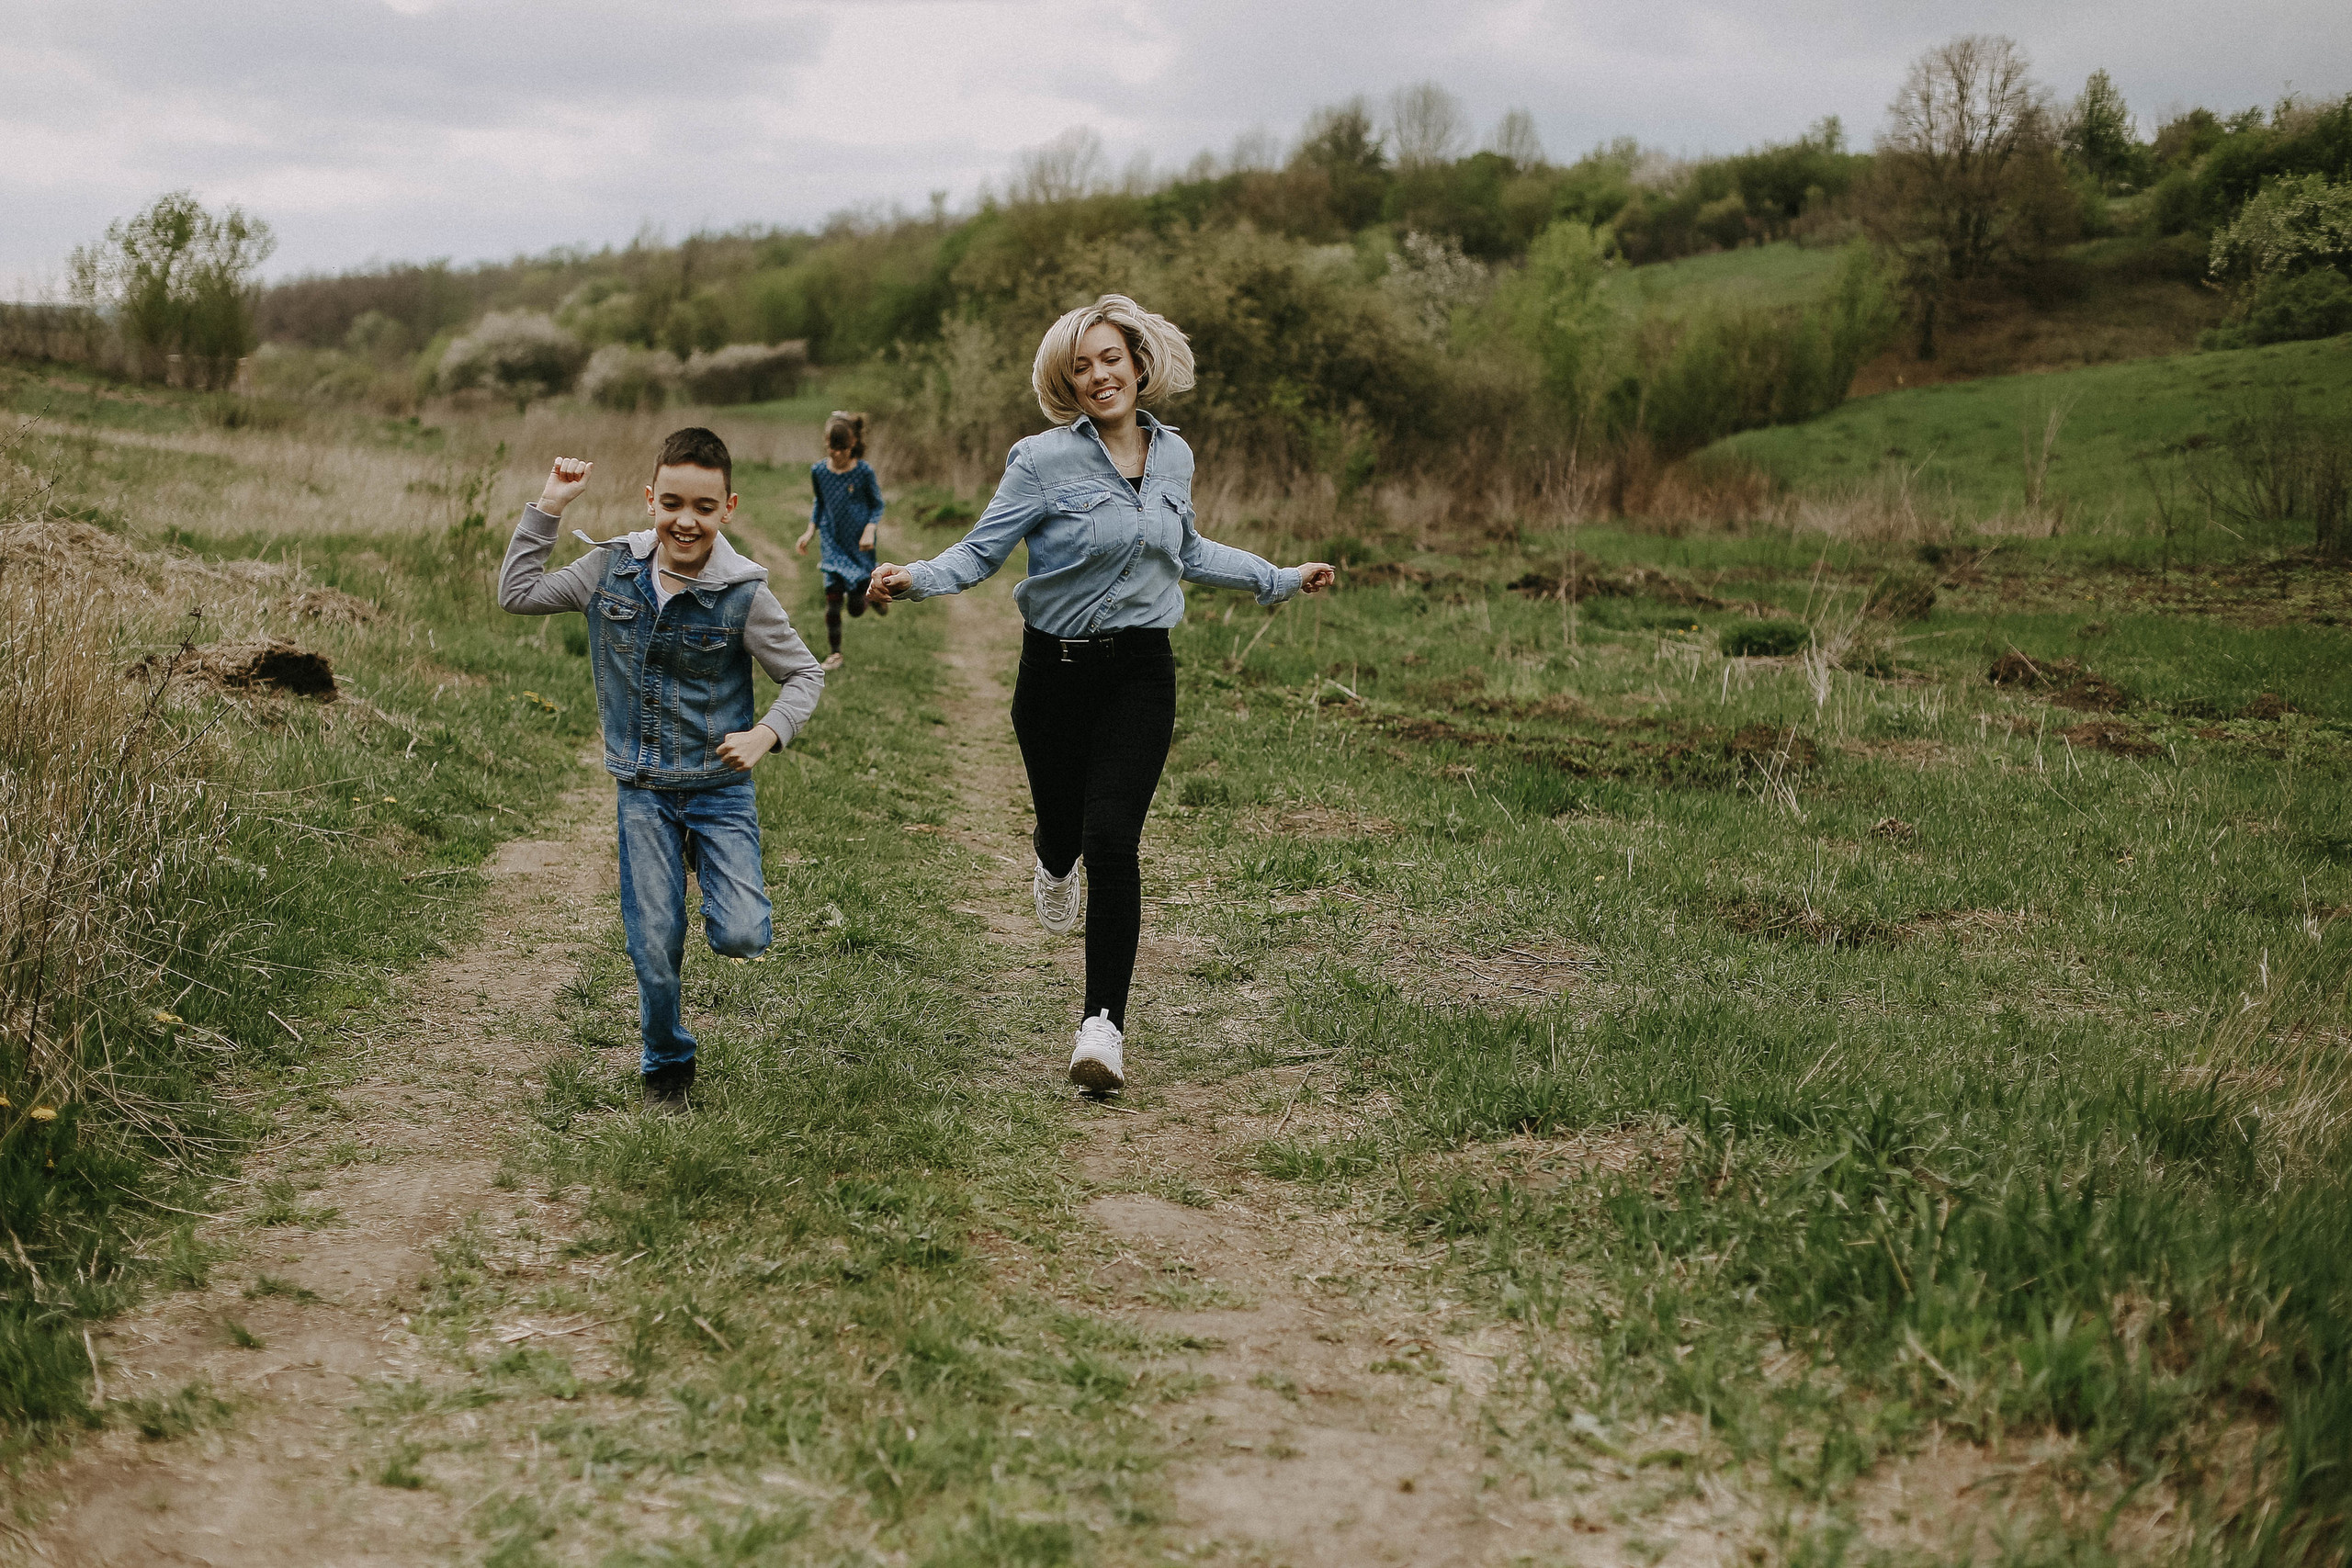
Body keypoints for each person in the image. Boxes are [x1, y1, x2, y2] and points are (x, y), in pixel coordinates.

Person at [866, 295, 1333, 1094]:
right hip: (1053, 673)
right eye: (1080, 367)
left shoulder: (1175, 457)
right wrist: (912, 578)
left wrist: (1278, 578)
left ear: (1138, 361)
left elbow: (1187, 549)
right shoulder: (1040, 460)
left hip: (1141, 673)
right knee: (1064, 829)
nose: (1098, 376)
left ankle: (1101, 1029)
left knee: (1113, 836)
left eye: (1109, 358)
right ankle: (1052, 861)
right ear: (1066, 382)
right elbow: (981, 553)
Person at [498, 426, 825, 1107]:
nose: (686, 520)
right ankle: (666, 1058)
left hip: (718, 789)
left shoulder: (743, 595)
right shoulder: (608, 571)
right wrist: (550, 504)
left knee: (741, 933)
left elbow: (803, 676)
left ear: (727, 509)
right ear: (650, 499)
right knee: (654, 939)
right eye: (672, 502)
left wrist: (768, 732)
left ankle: (712, 869)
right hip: (644, 788)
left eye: (704, 507)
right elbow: (518, 593)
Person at [796, 411, 888, 671]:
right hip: (832, 543)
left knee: (857, 608)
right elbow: (820, 503)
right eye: (830, 447)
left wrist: (870, 530)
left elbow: (877, 505)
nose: (835, 454)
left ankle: (874, 598)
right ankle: (835, 654)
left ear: (853, 445)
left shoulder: (863, 472)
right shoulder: (819, 472)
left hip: (859, 544)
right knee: (833, 600)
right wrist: (810, 531)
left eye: (841, 449)